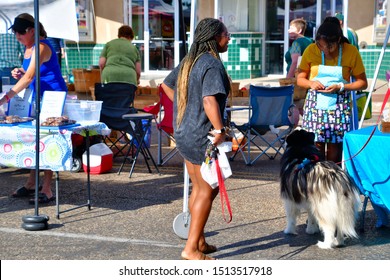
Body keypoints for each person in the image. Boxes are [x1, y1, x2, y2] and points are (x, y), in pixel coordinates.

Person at [161, 18, 231, 260]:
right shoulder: (211, 64)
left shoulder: (190, 61)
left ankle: (198, 240)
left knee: (200, 187)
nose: (229, 39)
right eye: (226, 35)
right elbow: (209, 100)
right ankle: (190, 248)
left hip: (184, 132)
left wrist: (186, 107)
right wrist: (220, 130)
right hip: (201, 134)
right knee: (206, 189)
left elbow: (167, 85)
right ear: (214, 37)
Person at [0, 13, 67, 204]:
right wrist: (19, 72)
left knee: (49, 139)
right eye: (15, 34)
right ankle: (31, 182)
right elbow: (29, 74)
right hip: (38, 97)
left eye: (20, 33)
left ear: (31, 31)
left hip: (53, 97)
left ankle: (46, 188)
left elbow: (29, 78)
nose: (17, 37)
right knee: (35, 139)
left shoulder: (42, 46)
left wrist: (5, 98)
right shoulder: (29, 48)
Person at [296, 17, 367, 163]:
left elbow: (363, 83)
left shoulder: (351, 52)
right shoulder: (311, 50)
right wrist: (311, 83)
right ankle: (317, 176)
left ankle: (332, 176)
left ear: (339, 41)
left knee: (335, 145)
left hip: (340, 106)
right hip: (315, 106)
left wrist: (342, 86)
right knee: (316, 143)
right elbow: (300, 79)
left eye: (330, 47)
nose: (326, 51)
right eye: (321, 46)